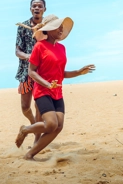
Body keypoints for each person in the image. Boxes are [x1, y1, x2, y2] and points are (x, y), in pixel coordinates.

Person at [15, 14, 96, 160]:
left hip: (57, 92)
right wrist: (46, 84)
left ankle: (29, 154)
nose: (61, 29)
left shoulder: (62, 48)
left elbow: (61, 73)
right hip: (43, 91)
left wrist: (78, 72)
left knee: (58, 127)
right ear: (48, 30)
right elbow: (31, 72)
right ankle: (25, 130)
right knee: (51, 124)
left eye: (61, 27)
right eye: (57, 26)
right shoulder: (39, 47)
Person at [15, 0, 46, 142]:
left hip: (42, 72)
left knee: (38, 105)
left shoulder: (48, 26)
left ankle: (37, 139)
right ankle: (34, 125)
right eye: (34, 6)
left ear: (44, 9)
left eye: (40, 6)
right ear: (30, 9)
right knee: (25, 107)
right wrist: (28, 56)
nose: (37, 8)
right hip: (25, 71)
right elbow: (17, 51)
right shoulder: (23, 26)